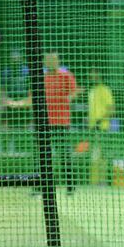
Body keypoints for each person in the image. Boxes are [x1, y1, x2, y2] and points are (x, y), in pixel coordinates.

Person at [43, 52, 79, 194]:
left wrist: (69, 97)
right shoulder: (42, 77)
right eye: (48, 60)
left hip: (62, 123)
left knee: (64, 154)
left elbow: (74, 92)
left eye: (53, 59)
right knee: (43, 155)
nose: (50, 62)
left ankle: (70, 186)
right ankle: (40, 187)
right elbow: (32, 97)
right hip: (45, 124)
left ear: (57, 61)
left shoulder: (66, 75)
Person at [0, 50, 32, 153]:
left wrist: (20, 103)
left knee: (25, 136)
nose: (15, 61)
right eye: (13, 60)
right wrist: (7, 103)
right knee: (6, 134)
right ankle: (6, 154)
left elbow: (31, 94)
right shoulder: (6, 72)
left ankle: (25, 152)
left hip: (24, 109)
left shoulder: (27, 72)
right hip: (9, 108)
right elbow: (2, 93)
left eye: (17, 59)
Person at [87, 69, 114, 185]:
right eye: (91, 73)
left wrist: (100, 120)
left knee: (102, 155)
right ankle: (94, 182)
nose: (92, 75)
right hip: (93, 128)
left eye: (95, 73)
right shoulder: (92, 91)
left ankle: (103, 181)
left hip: (102, 128)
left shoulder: (105, 90)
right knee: (94, 155)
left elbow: (112, 109)